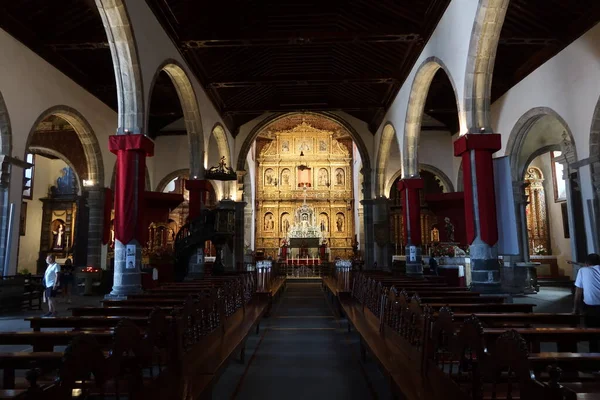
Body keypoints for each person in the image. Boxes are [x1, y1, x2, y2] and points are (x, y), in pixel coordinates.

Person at [573, 253, 600, 352]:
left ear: (587, 263)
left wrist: (575, 309)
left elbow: (578, 293)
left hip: (590, 307)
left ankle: (594, 357)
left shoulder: (582, 271)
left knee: (592, 334)